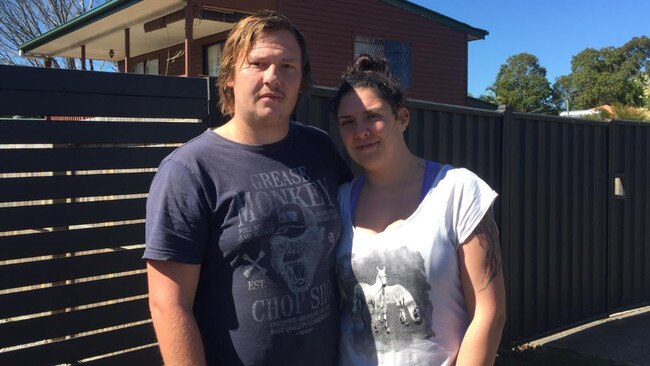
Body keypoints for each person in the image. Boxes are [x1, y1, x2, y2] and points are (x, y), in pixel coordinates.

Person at [143, 11, 351, 366]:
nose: (273, 77)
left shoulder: (321, 149)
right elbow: (169, 305)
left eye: (288, 66)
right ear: (228, 78)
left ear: (302, 81)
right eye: (258, 63)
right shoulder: (189, 170)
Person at [330, 55, 506, 366]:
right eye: (348, 123)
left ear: (403, 118)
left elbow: (488, 312)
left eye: (372, 117)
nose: (361, 132)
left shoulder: (458, 191)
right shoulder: (340, 201)